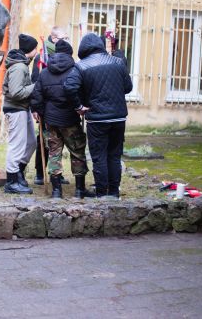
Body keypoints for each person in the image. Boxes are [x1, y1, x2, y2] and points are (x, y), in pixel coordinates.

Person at [64, 32, 133, 198]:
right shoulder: (118, 62)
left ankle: (102, 193)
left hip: (97, 119)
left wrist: (79, 106)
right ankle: (114, 192)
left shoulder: (81, 66)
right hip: (118, 117)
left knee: (99, 156)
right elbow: (128, 87)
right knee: (114, 155)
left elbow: (69, 87)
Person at [30, 40, 94, 199]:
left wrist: (38, 111)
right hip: (71, 119)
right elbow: (83, 93)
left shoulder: (45, 72)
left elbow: (37, 95)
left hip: (51, 121)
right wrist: (83, 106)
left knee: (54, 154)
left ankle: (56, 192)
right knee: (77, 153)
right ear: (70, 54)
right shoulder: (76, 71)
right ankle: (79, 191)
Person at [31, 26, 69, 185]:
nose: (66, 41)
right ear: (53, 39)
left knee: (59, 142)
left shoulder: (65, 55)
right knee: (45, 141)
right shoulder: (42, 57)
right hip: (46, 107)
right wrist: (36, 107)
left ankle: (57, 173)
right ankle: (40, 173)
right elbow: (35, 82)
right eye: (63, 38)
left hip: (62, 106)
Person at [2, 33, 39, 194]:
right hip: (16, 109)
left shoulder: (23, 64)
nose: (37, 50)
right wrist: (36, 85)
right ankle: (11, 182)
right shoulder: (19, 67)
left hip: (23, 109)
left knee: (31, 142)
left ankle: (18, 173)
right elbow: (16, 92)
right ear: (30, 50)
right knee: (16, 145)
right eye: (35, 48)